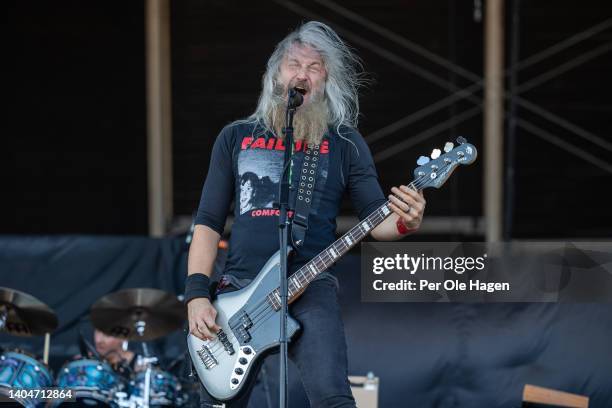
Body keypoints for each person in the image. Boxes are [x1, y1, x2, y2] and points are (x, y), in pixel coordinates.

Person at [185, 21, 426, 408]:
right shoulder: (236, 136)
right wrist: (196, 294)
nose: (302, 73)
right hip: (239, 290)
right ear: (275, 73)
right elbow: (208, 221)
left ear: (325, 77)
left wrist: (406, 220)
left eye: (313, 67)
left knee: (334, 399)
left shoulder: (344, 142)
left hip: (309, 285)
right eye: (294, 63)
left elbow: (377, 219)